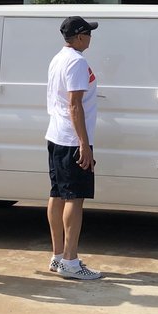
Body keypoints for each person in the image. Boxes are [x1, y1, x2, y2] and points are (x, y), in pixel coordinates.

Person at [45, 15, 102, 280]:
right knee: (74, 199)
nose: (91, 37)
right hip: (71, 139)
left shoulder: (58, 58)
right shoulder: (77, 62)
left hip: (57, 135)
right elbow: (74, 104)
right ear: (79, 37)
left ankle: (58, 256)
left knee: (57, 194)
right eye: (88, 33)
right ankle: (70, 260)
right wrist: (84, 144)